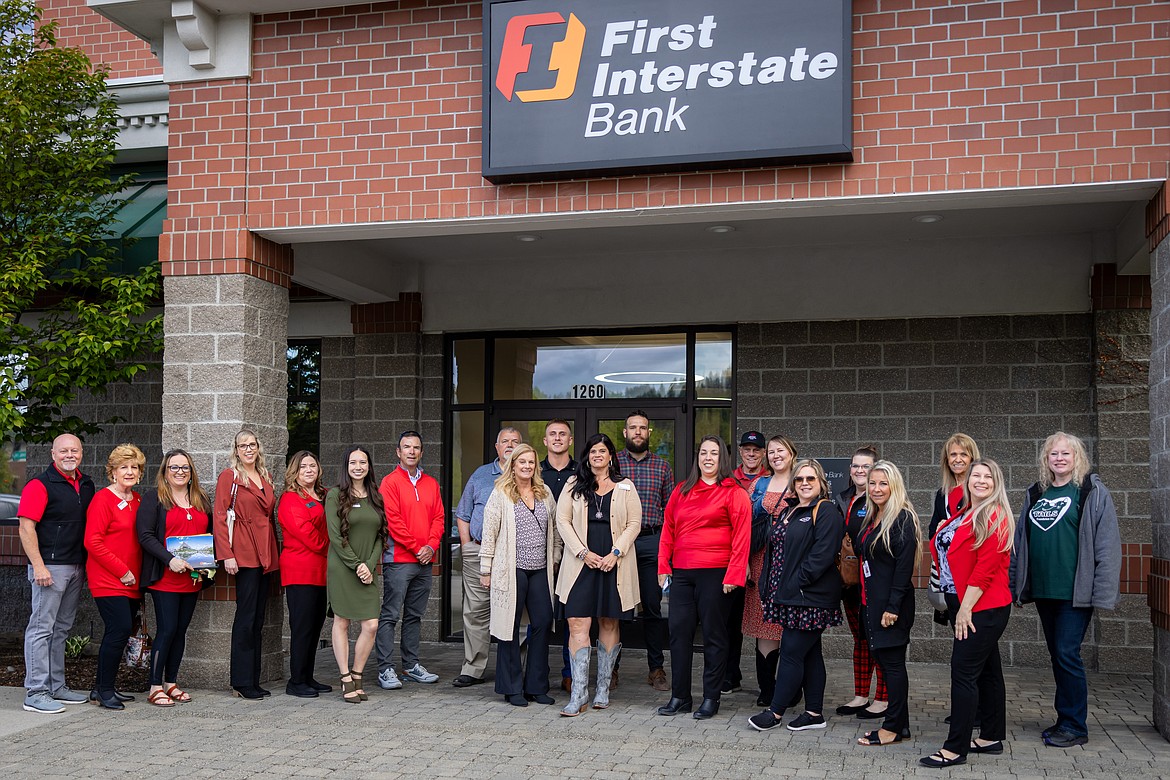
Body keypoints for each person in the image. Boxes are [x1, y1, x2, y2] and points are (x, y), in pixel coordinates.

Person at [1010, 432, 1121, 749]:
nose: (1059, 459)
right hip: (1045, 592)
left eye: (1065, 454)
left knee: (1067, 653)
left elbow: (1108, 546)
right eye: (1053, 454)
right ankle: (1064, 719)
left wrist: (1102, 592)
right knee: (1058, 656)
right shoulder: (1036, 493)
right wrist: (1017, 586)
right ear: (1046, 460)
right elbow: (1020, 543)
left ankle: (1075, 726)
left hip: (1075, 594)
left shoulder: (1091, 492)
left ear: (1077, 458)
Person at [920, 459, 1015, 768]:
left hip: (982, 607)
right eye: (977, 475)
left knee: (963, 673)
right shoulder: (964, 513)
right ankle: (990, 737)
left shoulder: (995, 516)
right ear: (967, 480)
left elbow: (985, 572)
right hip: (968, 604)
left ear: (996, 483)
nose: (981, 480)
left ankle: (954, 748)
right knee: (988, 672)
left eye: (988, 476)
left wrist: (965, 611)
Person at [656, 435, 750, 720]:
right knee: (678, 634)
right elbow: (668, 530)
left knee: (714, 636)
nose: (708, 458)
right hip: (683, 573)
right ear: (698, 458)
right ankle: (680, 697)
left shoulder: (734, 492)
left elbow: (742, 537)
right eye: (703, 453)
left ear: (722, 458)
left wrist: (734, 574)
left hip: (717, 574)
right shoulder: (682, 491)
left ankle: (711, 698)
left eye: (714, 453)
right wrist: (663, 567)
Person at [748, 459, 844, 733]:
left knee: (790, 653)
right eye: (800, 479)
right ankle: (814, 713)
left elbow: (822, 555)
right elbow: (774, 552)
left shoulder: (825, 511)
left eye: (810, 479)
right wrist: (770, 585)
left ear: (821, 483)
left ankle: (775, 712)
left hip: (808, 598)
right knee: (811, 654)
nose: (804, 484)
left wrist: (796, 582)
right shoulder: (790, 510)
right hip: (787, 596)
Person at [555, 433, 642, 717]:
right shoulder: (572, 484)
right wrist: (582, 552)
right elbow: (562, 521)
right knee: (577, 621)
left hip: (613, 563)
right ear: (587, 456)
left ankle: (602, 688)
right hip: (582, 562)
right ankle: (579, 693)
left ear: (611, 456)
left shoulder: (626, 487)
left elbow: (634, 523)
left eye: (602, 451)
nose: (597, 456)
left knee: (608, 620)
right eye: (593, 451)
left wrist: (615, 553)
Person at [18, 433, 95, 714]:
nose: (69, 455)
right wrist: (38, 565)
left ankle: (55, 686)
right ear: (53, 454)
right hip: (49, 568)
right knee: (41, 629)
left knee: (61, 629)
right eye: (64, 451)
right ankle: (35, 692)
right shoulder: (39, 485)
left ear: (81, 453)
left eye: (74, 450)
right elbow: (26, 528)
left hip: (76, 566)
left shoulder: (86, 484)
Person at [481, 443, 562, 706]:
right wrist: (486, 568)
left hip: (539, 569)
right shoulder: (501, 493)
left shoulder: (545, 492)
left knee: (541, 622)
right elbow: (489, 532)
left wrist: (556, 557)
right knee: (509, 628)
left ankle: (536, 686)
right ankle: (511, 687)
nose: (527, 466)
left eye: (531, 462)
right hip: (510, 568)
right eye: (522, 462)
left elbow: (556, 530)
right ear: (513, 465)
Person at [137, 448, 211, 707]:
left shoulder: (200, 499)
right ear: (165, 473)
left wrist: (206, 564)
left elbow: (207, 535)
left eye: (184, 468)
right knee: (167, 630)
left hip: (191, 579)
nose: (180, 472)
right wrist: (170, 559)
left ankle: (171, 683)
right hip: (165, 577)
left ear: (191, 473)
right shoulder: (154, 498)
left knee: (180, 631)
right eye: (174, 467)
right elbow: (145, 536)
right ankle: (155, 686)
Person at [854, 461, 921, 747]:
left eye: (883, 483)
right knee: (885, 662)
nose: (877, 488)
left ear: (894, 486)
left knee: (892, 666)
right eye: (872, 483)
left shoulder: (902, 519)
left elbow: (903, 571)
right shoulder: (873, 517)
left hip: (891, 607)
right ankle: (900, 724)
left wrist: (892, 608)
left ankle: (891, 727)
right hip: (872, 604)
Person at [452, 427, 522, 688]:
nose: (510, 445)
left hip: (516, 556)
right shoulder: (481, 475)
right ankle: (473, 668)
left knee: (517, 610)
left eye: (515, 441)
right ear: (496, 446)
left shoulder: (527, 474)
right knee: (476, 611)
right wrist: (468, 545)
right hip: (478, 551)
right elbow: (463, 514)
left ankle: (517, 667)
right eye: (505, 441)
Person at [213, 428, 280, 700]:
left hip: (265, 549)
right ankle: (240, 681)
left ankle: (253, 678)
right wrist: (227, 554)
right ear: (236, 450)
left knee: (259, 618)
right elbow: (219, 516)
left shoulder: (265, 476)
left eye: (252, 445)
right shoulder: (230, 476)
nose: (248, 449)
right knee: (246, 617)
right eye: (243, 445)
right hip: (243, 550)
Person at [376, 431, 444, 689]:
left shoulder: (431, 483)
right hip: (399, 560)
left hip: (425, 561)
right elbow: (393, 521)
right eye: (407, 447)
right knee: (390, 614)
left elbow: (439, 518)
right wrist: (418, 547)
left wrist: (431, 546)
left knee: (415, 615)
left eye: (416, 447)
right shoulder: (389, 483)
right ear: (398, 452)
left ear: (421, 452)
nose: (411, 451)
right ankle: (385, 669)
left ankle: (411, 665)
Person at [615, 410, 674, 692]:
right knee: (618, 608)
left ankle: (656, 669)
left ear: (649, 433)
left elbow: (672, 512)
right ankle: (611, 668)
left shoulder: (662, 467)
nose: (638, 432)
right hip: (618, 544)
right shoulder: (612, 465)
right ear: (624, 433)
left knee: (652, 608)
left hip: (651, 541)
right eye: (633, 428)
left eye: (643, 428)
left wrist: (667, 550)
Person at [84, 443, 146, 710]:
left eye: (134, 467)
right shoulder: (102, 499)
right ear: (112, 472)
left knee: (120, 633)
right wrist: (123, 571)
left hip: (133, 581)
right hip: (109, 578)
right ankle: (105, 690)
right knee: (118, 630)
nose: (129, 472)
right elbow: (92, 542)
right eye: (124, 467)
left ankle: (103, 687)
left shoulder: (139, 501)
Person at [833, 445, 888, 719]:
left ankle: (883, 699)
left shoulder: (884, 499)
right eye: (855, 465)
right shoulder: (842, 498)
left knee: (879, 641)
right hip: (850, 582)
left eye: (866, 466)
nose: (859, 471)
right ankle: (860, 696)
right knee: (860, 640)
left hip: (876, 582)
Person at [327, 446, 386, 703]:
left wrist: (369, 565)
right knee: (342, 621)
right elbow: (335, 537)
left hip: (367, 569)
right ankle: (345, 678)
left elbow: (380, 536)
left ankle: (358, 673)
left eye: (363, 462)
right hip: (342, 567)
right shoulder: (335, 495)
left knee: (371, 625)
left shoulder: (376, 496)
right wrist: (356, 565)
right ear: (346, 466)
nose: (358, 467)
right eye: (353, 462)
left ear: (369, 466)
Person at [745, 435, 796, 707]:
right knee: (763, 625)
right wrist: (743, 562)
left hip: (791, 563)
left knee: (789, 625)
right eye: (773, 452)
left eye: (782, 451)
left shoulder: (802, 481)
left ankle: (791, 686)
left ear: (791, 454)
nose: (776, 456)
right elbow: (745, 525)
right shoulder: (758, 484)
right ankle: (767, 689)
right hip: (760, 562)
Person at [277, 451, 331, 698]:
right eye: (303, 467)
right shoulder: (290, 499)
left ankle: (308, 676)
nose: (309, 470)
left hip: (320, 571)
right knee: (302, 627)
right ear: (294, 472)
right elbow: (307, 534)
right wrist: (336, 548)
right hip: (300, 570)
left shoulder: (323, 495)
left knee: (315, 626)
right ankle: (296, 681)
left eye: (312, 465)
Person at [724, 430, 770, 694]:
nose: (751, 454)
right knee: (732, 620)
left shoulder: (770, 479)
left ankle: (766, 681)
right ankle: (731, 675)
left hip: (763, 558)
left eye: (756, 450)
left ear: (763, 453)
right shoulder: (729, 480)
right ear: (740, 451)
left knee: (762, 621)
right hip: (734, 557)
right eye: (747, 449)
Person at [540, 419, 577, 692]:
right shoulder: (534, 472)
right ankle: (537, 673)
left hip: (574, 553)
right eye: (552, 434)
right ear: (545, 441)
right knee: (540, 616)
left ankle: (569, 673)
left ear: (570, 440)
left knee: (570, 615)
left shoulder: (581, 473)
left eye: (562, 434)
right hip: (538, 554)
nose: (557, 438)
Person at [929, 434, 981, 537]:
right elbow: (932, 533)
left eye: (963, 454)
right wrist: (939, 529)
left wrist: (949, 527)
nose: (957, 459)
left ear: (972, 459)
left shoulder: (979, 490)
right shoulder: (942, 494)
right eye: (953, 454)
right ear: (947, 460)